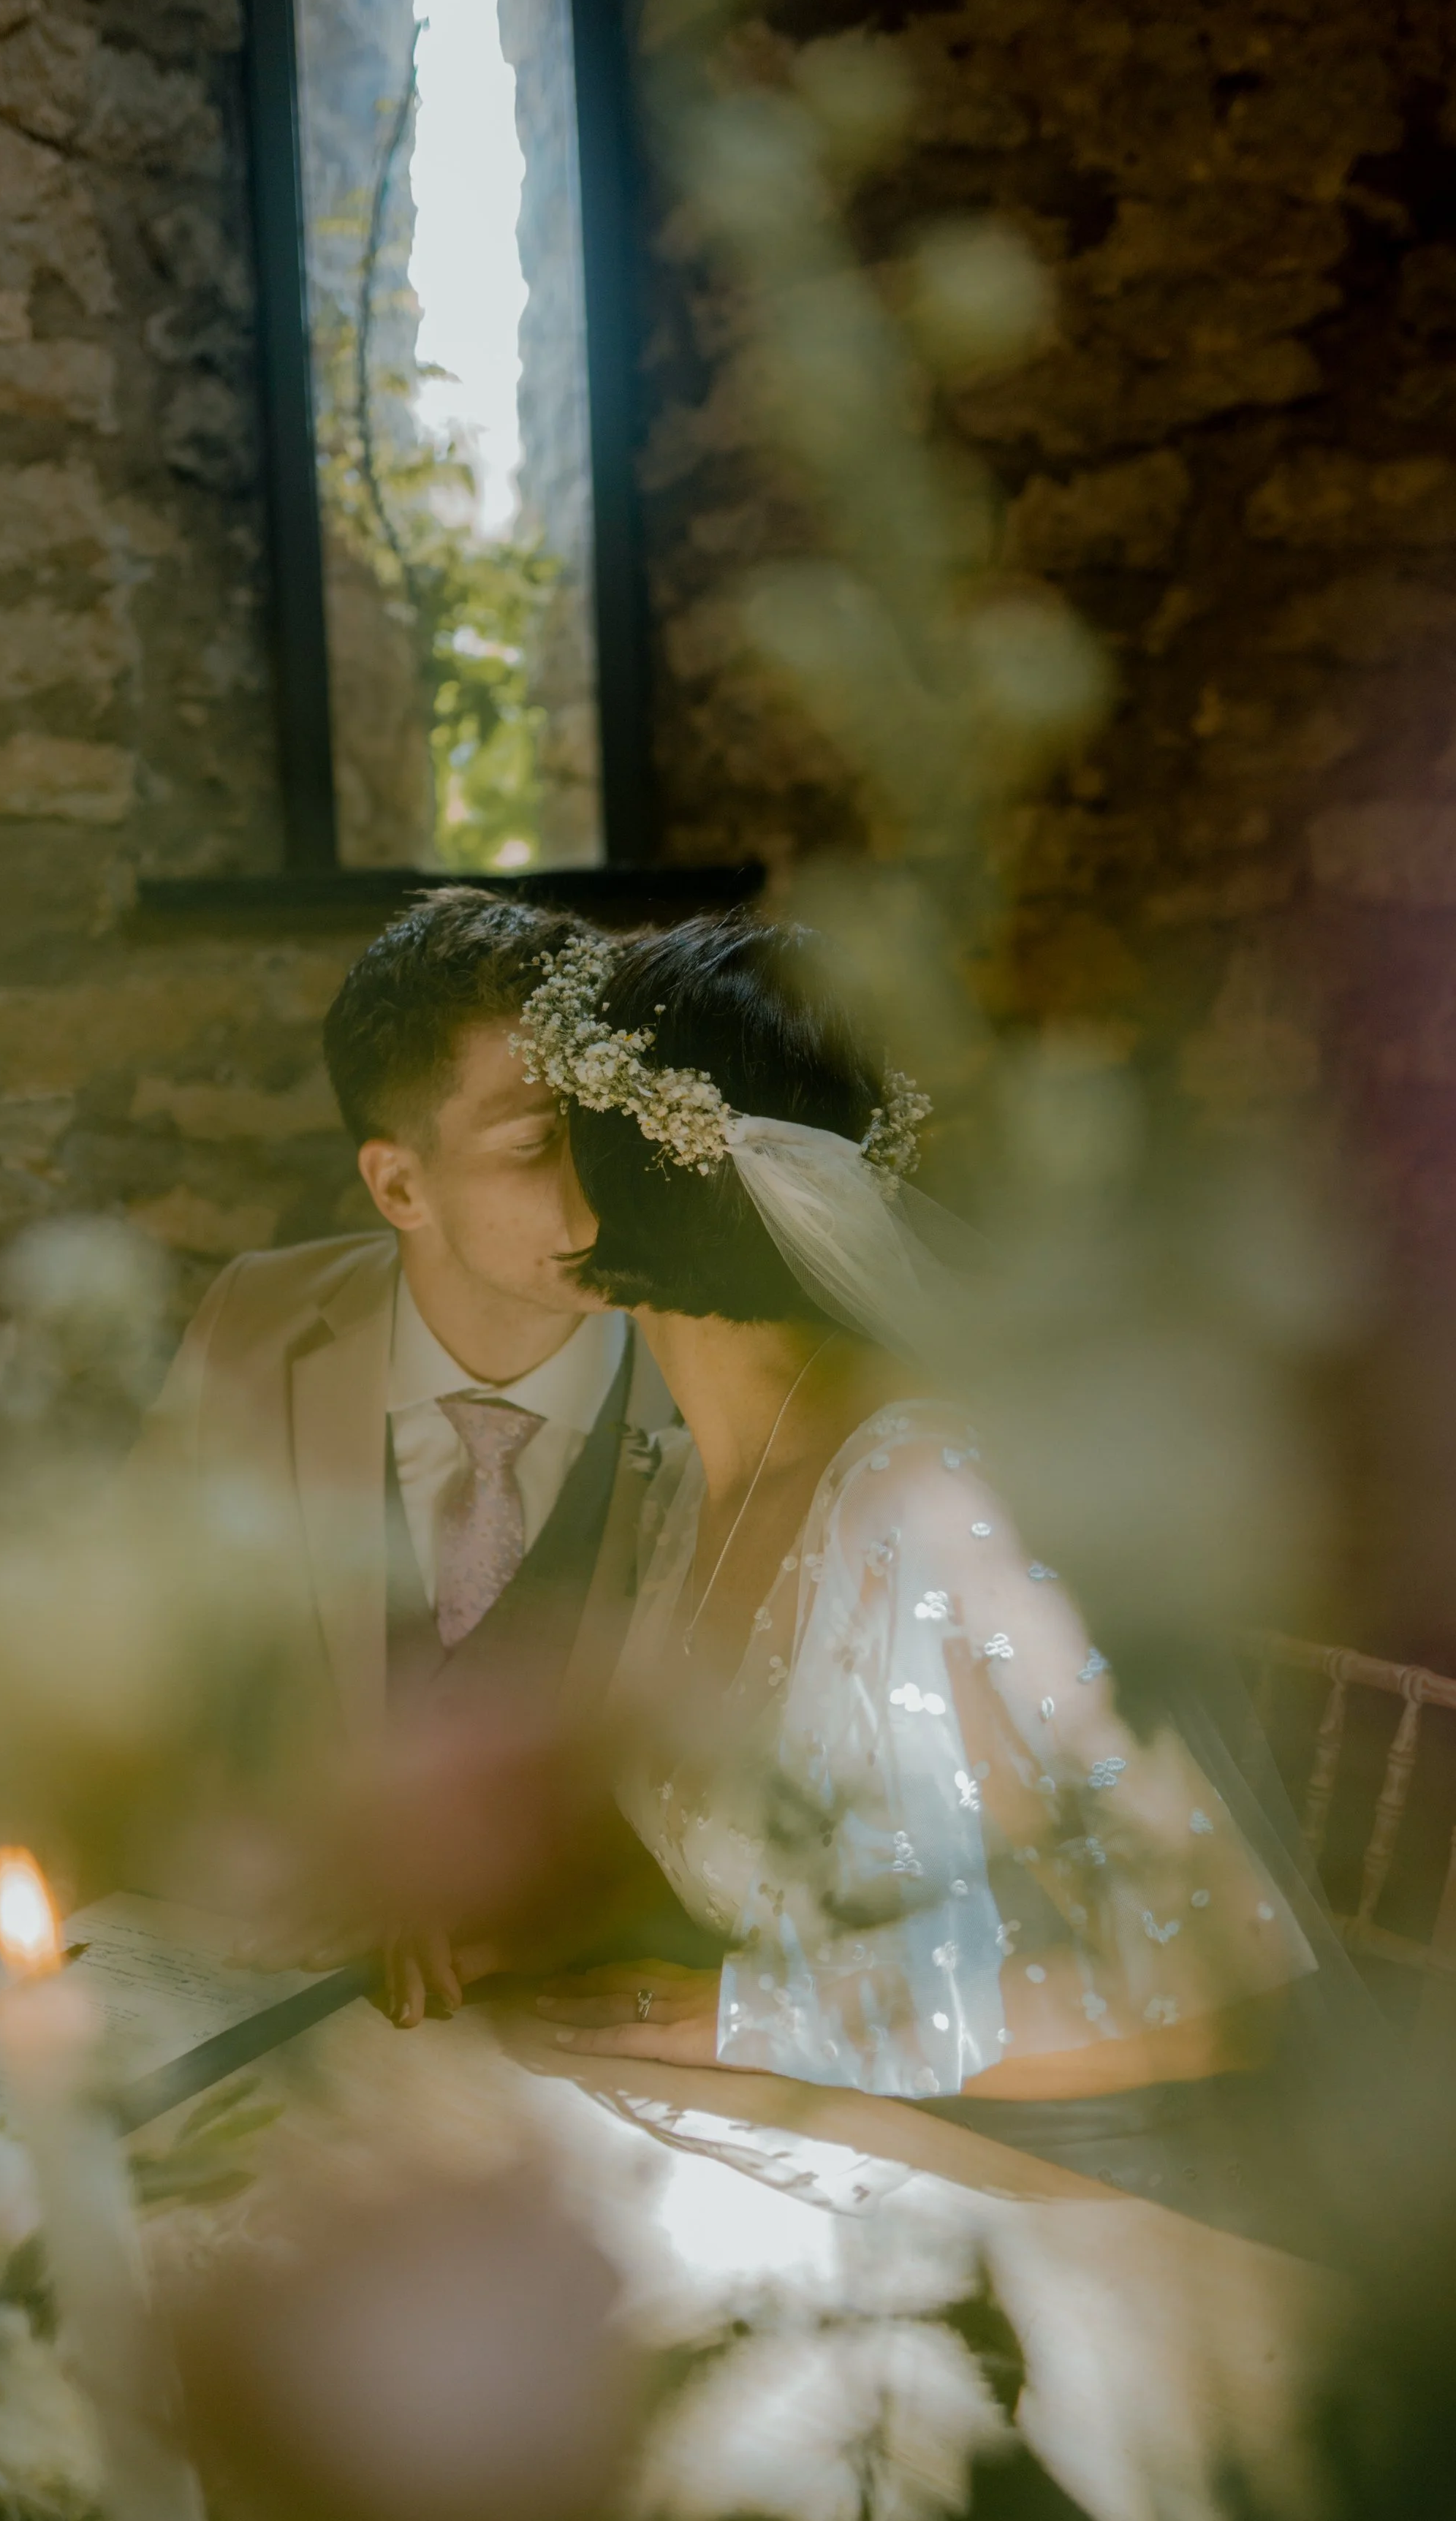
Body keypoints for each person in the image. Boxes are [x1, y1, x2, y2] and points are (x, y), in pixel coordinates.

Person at [518, 915, 1370, 2249]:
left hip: (1060, 2210)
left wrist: (743, 2014)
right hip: (814, 2152)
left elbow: (1218, 1987)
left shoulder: (932, 1497)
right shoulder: (690, 1481)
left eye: (530, 1133)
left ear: (611, 1181)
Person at [0, 887, 673, 1984]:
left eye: (609, 1123)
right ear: (399, 1183)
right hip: (273, 1999)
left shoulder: (722, 1366)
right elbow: (137, 1641)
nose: (601, 1184)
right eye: (540, 1141)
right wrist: (24, 1798)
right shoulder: (258, 1320)